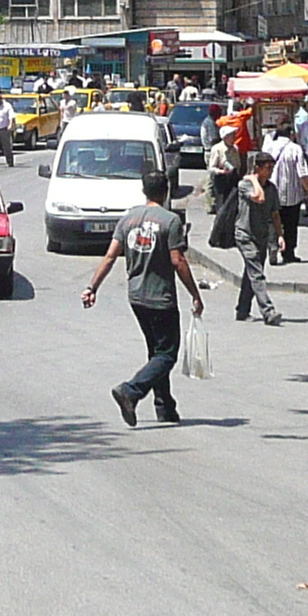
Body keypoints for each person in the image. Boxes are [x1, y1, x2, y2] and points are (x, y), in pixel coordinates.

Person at [83, 167, 205, 425]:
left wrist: (92, 287)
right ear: (166, 190)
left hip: (136, 296)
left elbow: (110, 256)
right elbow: (178, 260)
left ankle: (165, 408)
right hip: (161, 299)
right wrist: (195, 294)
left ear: (143, 190)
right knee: (167, 354)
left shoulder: (128, 219)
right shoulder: (170, 221)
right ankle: (130, 391)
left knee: (157, 353)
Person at [233, 147, 286, 326]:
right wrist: (253, 179)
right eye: (267, 167)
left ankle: (242, 310)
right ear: (258, 168)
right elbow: (258, 198)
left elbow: (275, 214)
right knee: (256, 273)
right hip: (245, 234)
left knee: (251, 273)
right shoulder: (245, 184)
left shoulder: (271, 188)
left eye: (272, 167)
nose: (270, 171)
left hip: (261, 235)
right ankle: (268, 311)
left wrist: (280, 236)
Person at [267, 125, 308, 262]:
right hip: (292, 194)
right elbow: (302, 173)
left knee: (274, 221)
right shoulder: (295, 148)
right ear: (291, 134)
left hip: (273, 192)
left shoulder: (270, 147)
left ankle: (273, 246)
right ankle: (288, 252)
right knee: (291, 225)